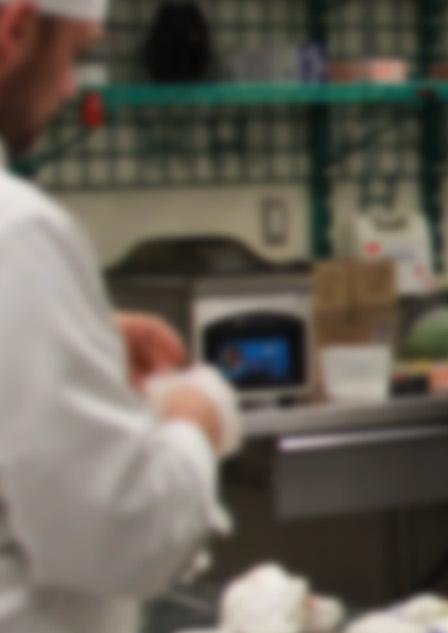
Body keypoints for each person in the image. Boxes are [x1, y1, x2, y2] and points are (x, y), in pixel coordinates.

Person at [0, 0, 241, 630]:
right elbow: (122, 536)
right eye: (72, 55)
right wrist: (197, 420)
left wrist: (78, 339)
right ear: (15, 31)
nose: (69, 88)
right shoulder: (17, 233)